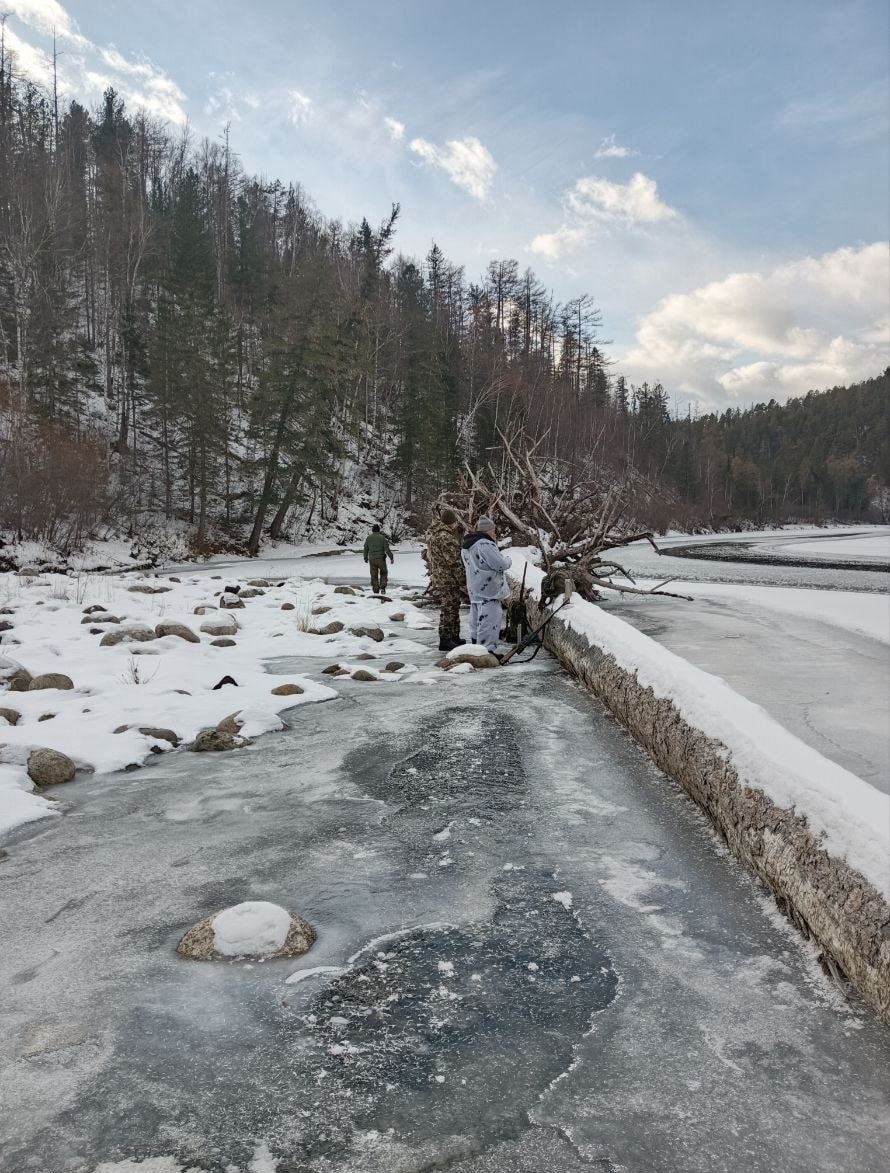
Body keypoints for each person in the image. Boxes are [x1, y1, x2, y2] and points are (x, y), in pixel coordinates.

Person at [461, 516, 512, 656]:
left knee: (476, 618)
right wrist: (508, 560)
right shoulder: (485, 545)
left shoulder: (467, 545)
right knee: (490, 620)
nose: (495, 533)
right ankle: (486, 650)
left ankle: (475, 644)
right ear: (489, 530)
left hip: (474, 588)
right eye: (494, 530)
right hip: (489, 590)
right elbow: (500, 564)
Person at [425, 506, 465, 652]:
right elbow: (453, 561)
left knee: (453, 606)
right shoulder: (446, 537)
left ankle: (454, 636)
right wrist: (463, 580)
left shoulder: (435, 534)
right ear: (452, 522)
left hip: (441, 577)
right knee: (449, 609)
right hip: (448, 578)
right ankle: (445, 639)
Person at [363, 524, 393, 593]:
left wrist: (365, 558)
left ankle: (375, 590)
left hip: (372, 559)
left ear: (372, 530)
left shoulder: (368, 538)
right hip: (381, 559)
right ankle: (382, 588)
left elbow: (365, 549)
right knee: (383, 572)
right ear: (379, 530)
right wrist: (391, 557)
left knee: (374, 574)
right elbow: (387, 549)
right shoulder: (382, 538)